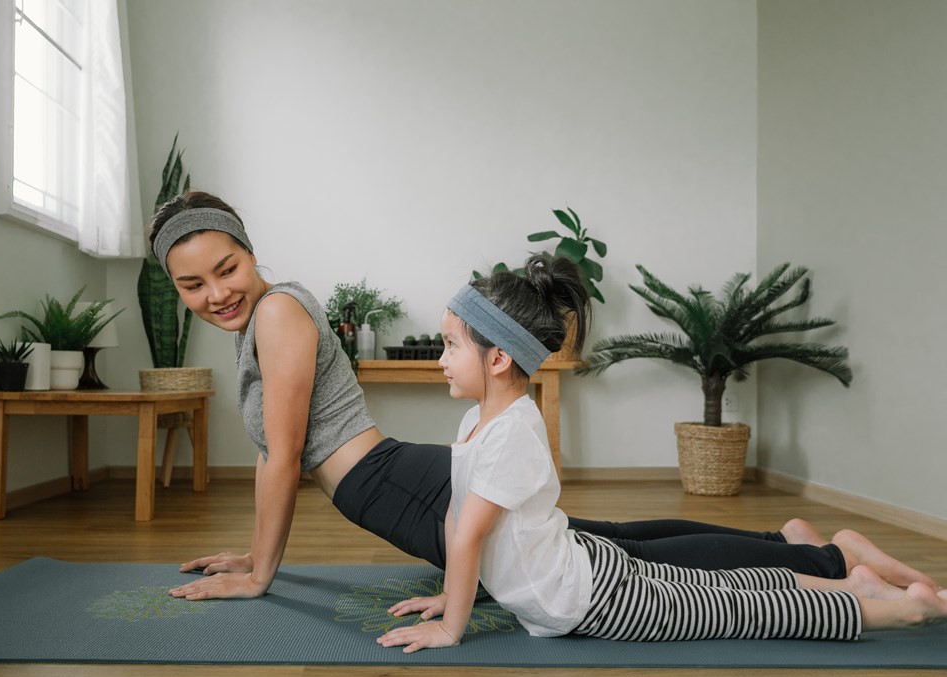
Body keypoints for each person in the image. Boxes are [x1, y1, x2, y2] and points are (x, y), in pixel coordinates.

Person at [151, 191, 931, 601]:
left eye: (227, 268)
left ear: (251, 253)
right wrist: (255, 553)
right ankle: (791, 547)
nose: (216, 291)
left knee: (611, 556)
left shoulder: (281, 311)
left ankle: (827, 559)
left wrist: (262, 577)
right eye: (191, 284)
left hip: (398, 486)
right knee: (606, 539)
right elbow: (276, 454)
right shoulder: (260, 318)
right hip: (395, 484)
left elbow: (285, 456)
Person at [377, 255, 947, 652]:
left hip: (590, 599)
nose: (442, 357)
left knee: (733, 610)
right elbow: (458, 521)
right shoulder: (477, 419)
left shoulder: (511, 432)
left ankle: (895, 608)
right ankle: (856, 585)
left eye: (452, 344)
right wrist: (448, 593)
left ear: (499, 358)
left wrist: (451, 629)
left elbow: (470, 534)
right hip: (584, 568)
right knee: (726, 588)